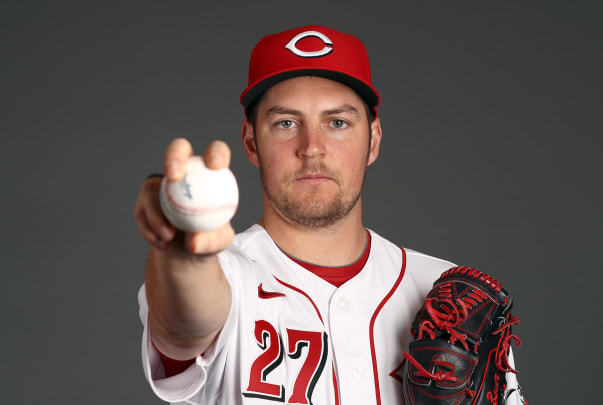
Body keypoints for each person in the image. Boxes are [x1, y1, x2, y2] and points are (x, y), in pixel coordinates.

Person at [134, 25, 524, 404]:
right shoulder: (222, 275)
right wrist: (181, 256)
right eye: (286, 123)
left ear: (373, 140)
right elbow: (184, 326)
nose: (312, 147)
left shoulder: (450, 300)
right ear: (252, 142)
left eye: (337, 123)